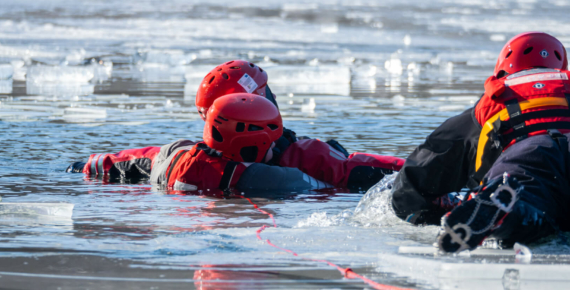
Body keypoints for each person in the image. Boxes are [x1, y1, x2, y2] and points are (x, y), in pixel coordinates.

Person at [391, 32, 570, 253]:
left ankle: (502, 210)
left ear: (503, 69)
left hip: (525, 155)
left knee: (528, 214)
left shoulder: (488, 104)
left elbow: (416, 177)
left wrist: (433, 212)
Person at [71, 60, 405, 191]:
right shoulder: (305, 158)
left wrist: (88, 165)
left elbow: (130, 160)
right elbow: (357, 171)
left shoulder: (179, 158)